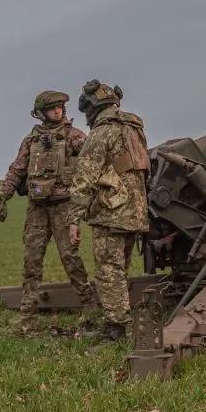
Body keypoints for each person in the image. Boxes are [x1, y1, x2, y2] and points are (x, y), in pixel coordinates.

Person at [0, 91, 98, 331]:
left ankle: (89, 305)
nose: (58, 111)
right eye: (53, 108)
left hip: (64, 206)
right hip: (37, 208)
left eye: (60, 107)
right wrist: (3, 195)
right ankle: (27, 312)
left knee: (70, 259)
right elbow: (17, 168)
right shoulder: (31, 140)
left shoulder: (73, 136)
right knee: (32, 260)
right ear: (41, 112)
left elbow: (92, 161)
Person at [67, 80, 150, 342]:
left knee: (109, 271)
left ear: (91, 108)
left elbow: (84, 178)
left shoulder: (102, 132)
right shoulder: (134, 129)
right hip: (135, 211)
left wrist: (73, 219)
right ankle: (119, 318)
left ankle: (116, 328)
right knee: (120, 268)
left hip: (111, 212)